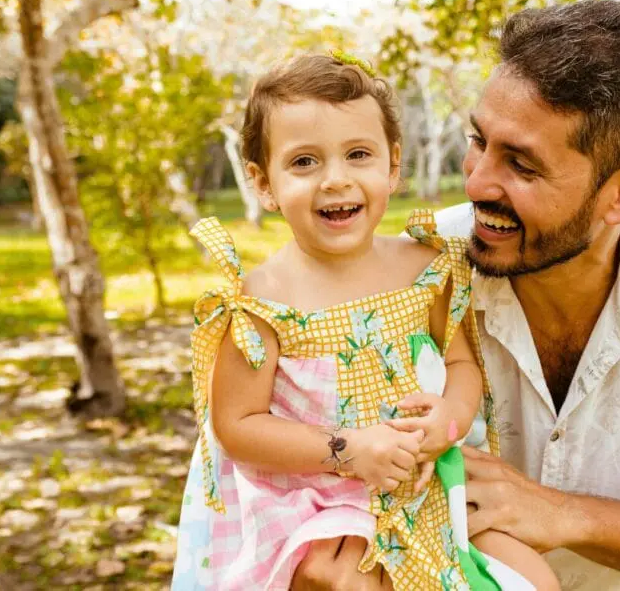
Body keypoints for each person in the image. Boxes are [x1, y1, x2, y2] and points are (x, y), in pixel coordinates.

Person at [295, 0, 620, 591]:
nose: (477, 181)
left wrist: (554, 512)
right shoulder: (416, 272)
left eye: (522, 165)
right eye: (478, 140)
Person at [169, 54, 560, 591]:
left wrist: (445, 421)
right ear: (263, 183)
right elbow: (236, 425)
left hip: (425, 480)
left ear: (392, 166)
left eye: (358, 154)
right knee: (355, 582)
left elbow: (462, 363)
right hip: (318, 499)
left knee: (534, 578)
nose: (336, 180)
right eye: (304, 162)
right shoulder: (260, 299)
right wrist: (350, 451)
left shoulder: (426, 269)